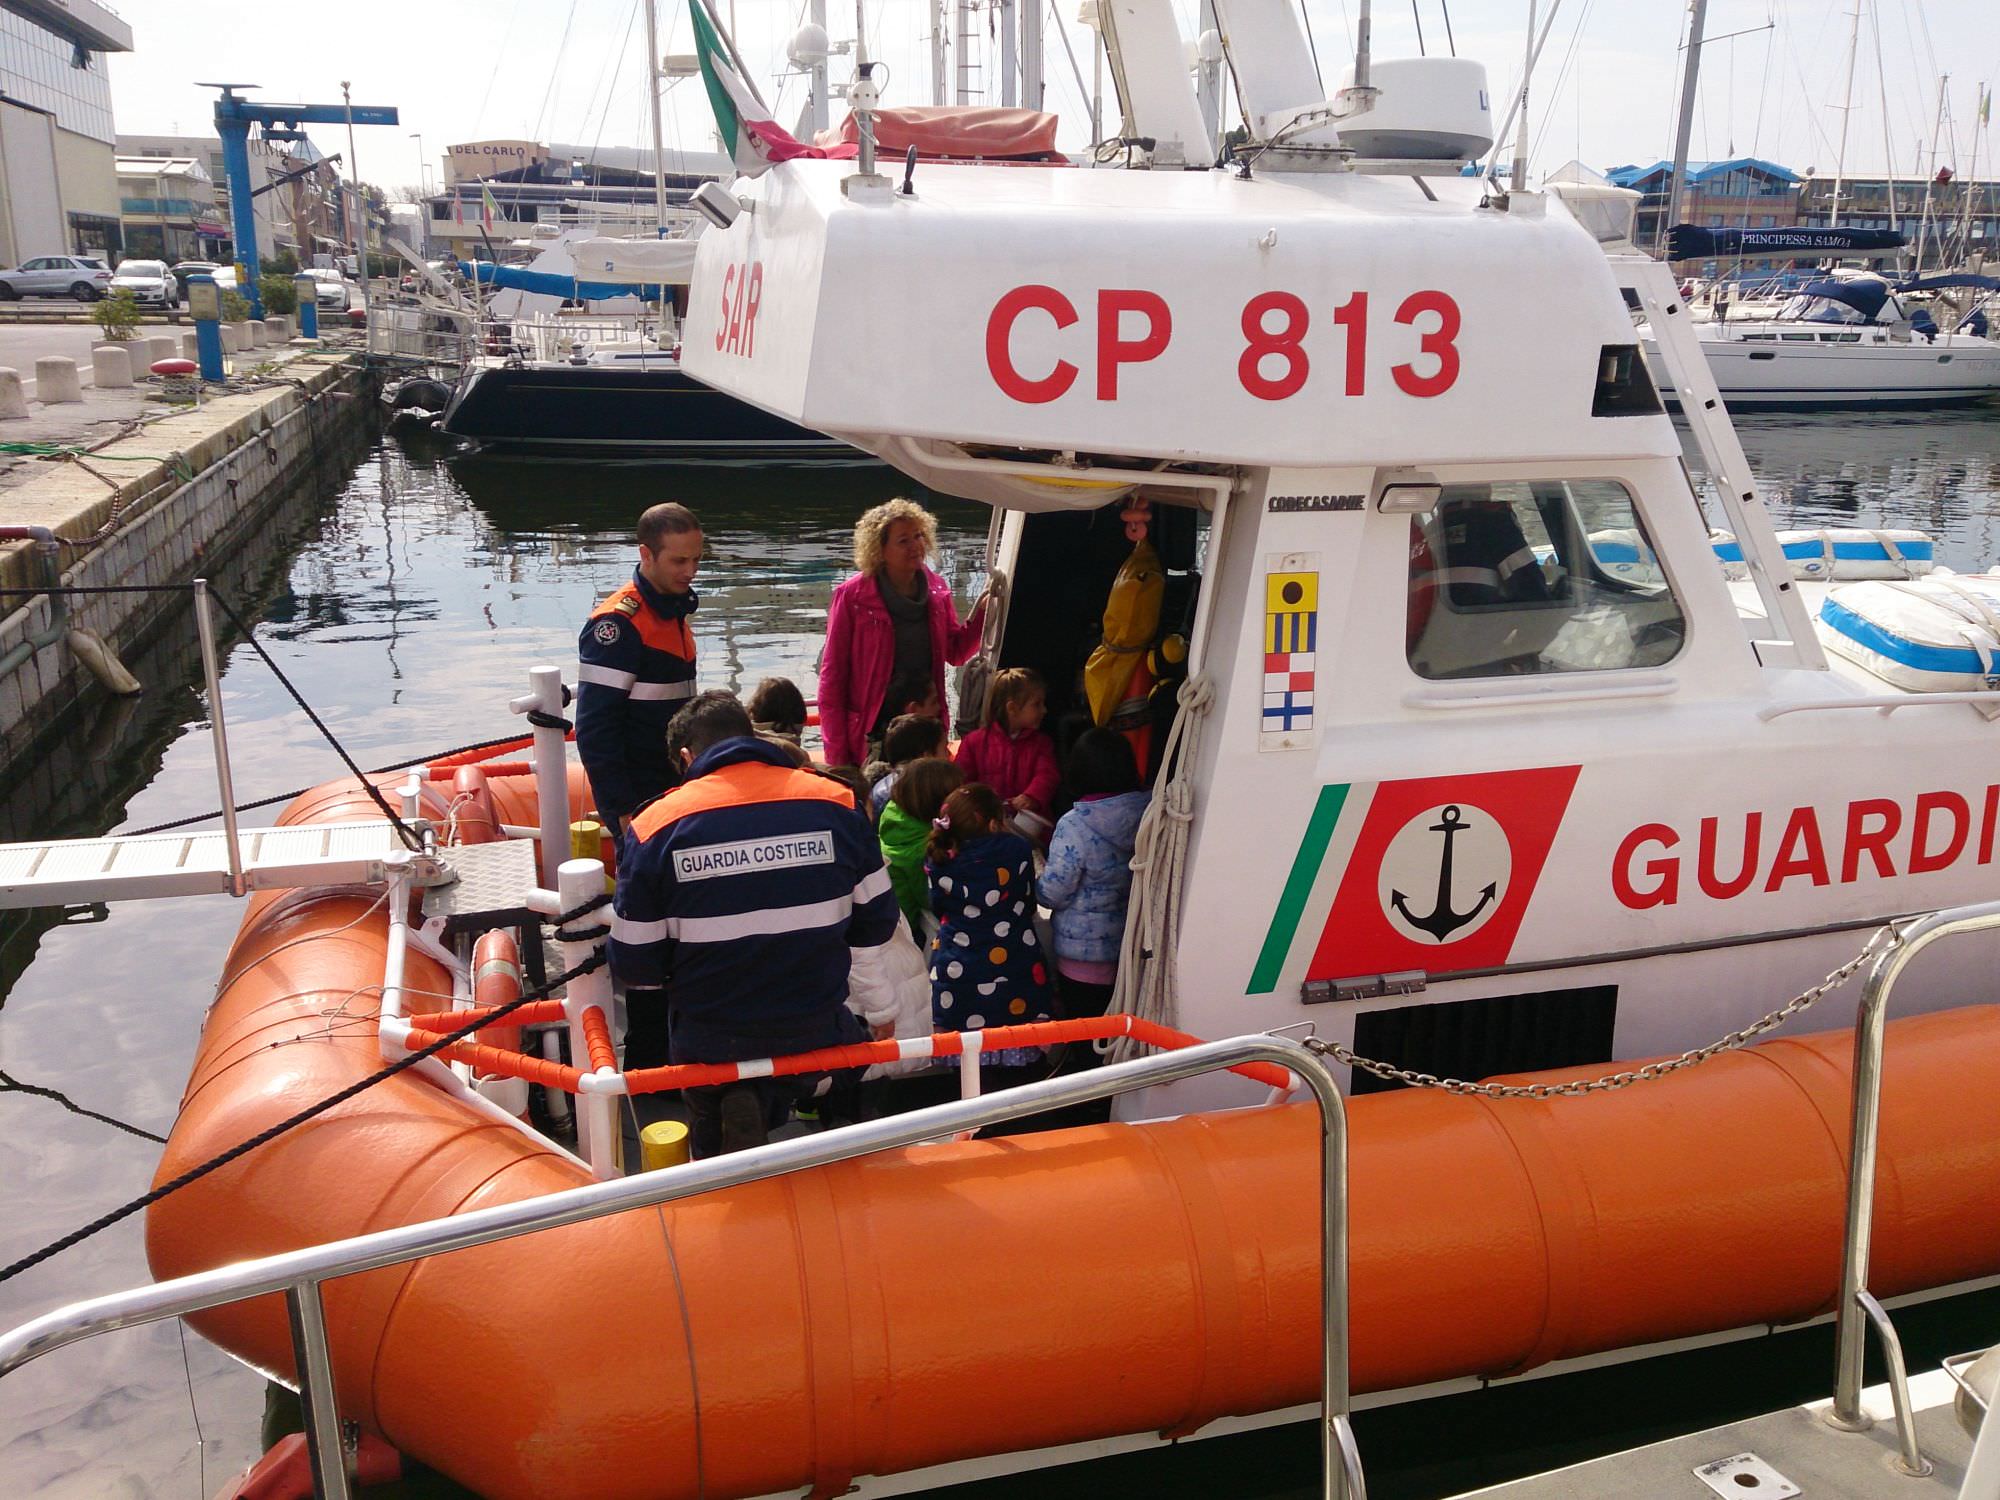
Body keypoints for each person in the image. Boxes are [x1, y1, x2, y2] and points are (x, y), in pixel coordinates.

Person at [610, 690, 902, 1156]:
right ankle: (826, 1133)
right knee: (837, 1053)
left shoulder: (655, 825)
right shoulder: (836, 801)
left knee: (710, 1087)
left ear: (686, 757)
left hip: (712, 1034)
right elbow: (878, 922)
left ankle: (725, 1133)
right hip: (815, 1023)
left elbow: (635, 965)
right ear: (751, 736)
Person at [819, 498, 992, 768]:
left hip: (924, 725)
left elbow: (955, 653)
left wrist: (984, 614)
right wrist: (837, 757)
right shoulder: (852, 596)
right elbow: (833, 678)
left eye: (919, 536)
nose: (916, 546)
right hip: (873, 731)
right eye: (903, 541)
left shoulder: (937, 590)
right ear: (879, 549)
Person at [576, 503, 703, 834]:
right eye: (679, 561)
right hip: (641, 797)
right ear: (647, 555)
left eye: (696, 560)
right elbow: (595, 727)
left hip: (675, 786)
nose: (691, 571)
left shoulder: (671, 610)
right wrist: (620, 809)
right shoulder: (618, 625)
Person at [925, 782, 1054, 1071]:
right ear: (994, 822)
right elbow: (1028, 897)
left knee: (968, 1066)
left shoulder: (939, 857)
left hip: (958, 962)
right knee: (1017, 1043)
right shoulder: (1017, 849)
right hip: (1015, 956)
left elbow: (937, 905)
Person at [1039, 729, 1150, 1020]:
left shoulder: (1073, 825)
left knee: (1087, 1045)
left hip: (1081, 960)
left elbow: (1052, 893)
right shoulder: (1151, 812)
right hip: (1134, 948)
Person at [953, 667, 1059, 817]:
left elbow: (1047, 775)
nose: (1044, 710)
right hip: (985, 822)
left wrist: (1032, 797)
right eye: (1037, 704)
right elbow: (961, 781)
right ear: (1012, 708)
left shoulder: (1042, 744)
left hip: (1027, 823)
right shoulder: (974, 742)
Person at [878, 756, 964, 939]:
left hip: (887, 918)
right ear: (940, 802)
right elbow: (930, 901)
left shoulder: (894, 813)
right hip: (909, 929)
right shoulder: (923, 850)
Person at [868, 710, 949, 819]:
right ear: (926, 756)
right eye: (944, 749)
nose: (949, 754)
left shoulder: (880, 790)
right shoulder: (921, 795)